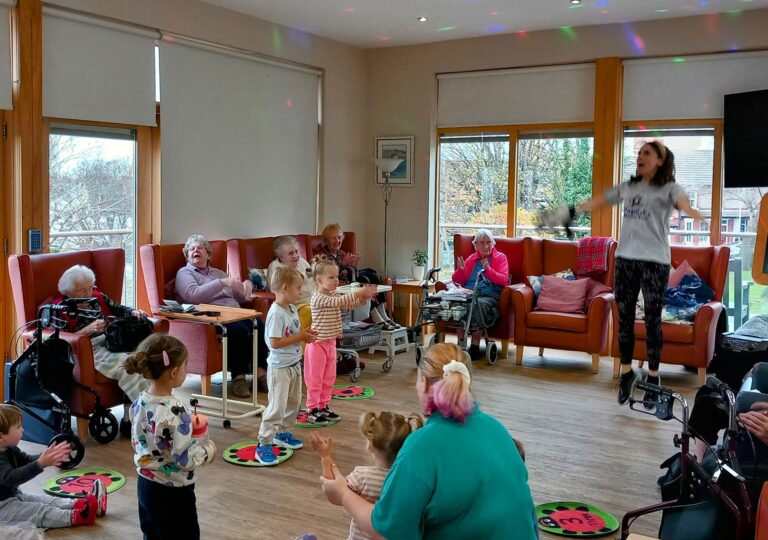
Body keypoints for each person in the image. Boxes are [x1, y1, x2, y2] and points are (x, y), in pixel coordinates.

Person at [320, 343, 537, 540]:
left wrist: (343, 494)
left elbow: (387, 532)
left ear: (423, 382)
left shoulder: (421, 446)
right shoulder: (496, 429)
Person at [576, 141, 705, 404]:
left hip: (655, 261)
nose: (640, 156)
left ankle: (654, 377)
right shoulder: (630, 186)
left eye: (647, 153)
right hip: (625, 259)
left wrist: (692, 211)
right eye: (639, 153)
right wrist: (578, 208)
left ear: (660, 160)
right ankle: (626, 373)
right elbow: (602, 199)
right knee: (624, 319)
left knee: (651, 320)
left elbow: (683, 203)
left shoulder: (670, 188)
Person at [126, 333, 216, 540]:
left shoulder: (140, 401)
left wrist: (186, 430)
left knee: (153, 534)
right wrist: (208, 449)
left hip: (146, 485)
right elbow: (184, 459)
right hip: (173, 491)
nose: (187, 369)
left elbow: (137, 439)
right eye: (186, 365)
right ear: (174, 372)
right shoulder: (176, 411)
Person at [54, 264, 151, 435]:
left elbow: (120, 309)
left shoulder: (98, 297)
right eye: (83, 290)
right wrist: (88, 330)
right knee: (128, 366)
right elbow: (58, 341)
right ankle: (146, 419)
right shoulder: (59, 309)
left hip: (111, 342)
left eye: (91, 287)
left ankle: (131, 420)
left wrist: (134, 311)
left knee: (141, 361)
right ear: (68, 292)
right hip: (87, 350)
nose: (89, 293)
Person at [175, 234, 268, 398]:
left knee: (259, 325)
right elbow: (192, 295)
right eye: (191, 249)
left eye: (200, 247)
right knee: (238, 329)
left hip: (234, 311)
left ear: (208, 254)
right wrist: (223, 283)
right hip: (211, 317)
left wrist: (247, 288)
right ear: (187, 255)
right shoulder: (185, 273)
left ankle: (260, 374)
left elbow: (240, 298)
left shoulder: (219, 273)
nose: (195, 250)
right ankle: (238, 379)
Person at [311, 411, 424, 540]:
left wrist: (325, 457)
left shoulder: (362, 476)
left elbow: (334, 494)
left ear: (370, 446)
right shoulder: (410, 480)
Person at [0, 404, 106, 528]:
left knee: (44, 500)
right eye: (18, 427)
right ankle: (79, 516)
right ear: (1, 436)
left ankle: (81, 504)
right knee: (39, 511)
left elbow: (26, 460)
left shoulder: (9, 448)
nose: (23, 430)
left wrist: (47, 456)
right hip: (2, 508)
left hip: (12, 496)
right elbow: (12, 478)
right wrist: (40, 463)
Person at [255, 266, 318, 466]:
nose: (300, 292)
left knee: (293, 402)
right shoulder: (276, 313)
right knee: (277, 406)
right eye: (298, 288)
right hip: (280, 368)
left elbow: (293, 333)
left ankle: (281, 434)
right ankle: (263, 443)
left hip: (293, 364)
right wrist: (300, 337)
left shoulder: (291, 308)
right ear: (284, 288)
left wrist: (304, 334)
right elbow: (274, 343)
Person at [306, 259, 375, 424]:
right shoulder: (318, 298)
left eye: (336, 277)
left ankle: (324, 406)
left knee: (329, 377)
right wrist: (358, 293)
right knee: (316, 379)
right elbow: (338, 302)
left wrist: (363, 298)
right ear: (319, 280)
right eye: (331, 277)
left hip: (330, 343)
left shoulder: (333, 294)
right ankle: (312, 409)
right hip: (317, 345)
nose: (336, 280)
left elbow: (349, 304)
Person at [314, 223, 399, 330]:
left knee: (372, 273)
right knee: (365, 280)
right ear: (326, 240)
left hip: (349, 282)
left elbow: (353, 274)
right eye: (333, 238)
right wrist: (343, 264)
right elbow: (328, 275)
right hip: (338, 285)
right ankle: (377, 318)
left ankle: (385, 316)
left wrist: (353, 266)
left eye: (339, 237)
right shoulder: (322, 255)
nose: (337, 241)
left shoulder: (341, 253)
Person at [450, 229, 509, 360]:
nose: (486, 246)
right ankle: (461, 345)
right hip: (469, 293)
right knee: (457, 304)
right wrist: (460, 270)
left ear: (493, 244)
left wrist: (488, 269)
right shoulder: (472, 259)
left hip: (488, 296)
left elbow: (503, 280)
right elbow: (458, 281)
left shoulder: (500, 258)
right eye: (481, 243)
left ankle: (475, 346)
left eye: (488, 242)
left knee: (477, 305)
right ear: (475, 245)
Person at [267, 235, 316, 333]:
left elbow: (313, 281)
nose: (295, 256)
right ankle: (306, 344)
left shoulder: (302, 261)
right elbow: (277, 290)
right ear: (281, 256)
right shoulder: (276, 268)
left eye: (297, 251)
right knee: (310, 312)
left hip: (312, 300)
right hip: (294, 305)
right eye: (290, 253)